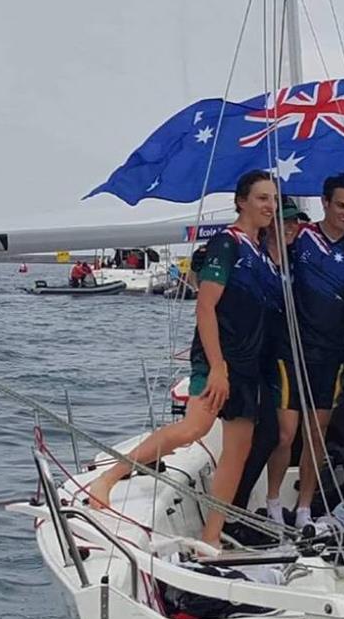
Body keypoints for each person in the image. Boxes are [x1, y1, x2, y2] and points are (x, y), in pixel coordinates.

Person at [87, 170, 279, 549]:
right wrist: (218, 367)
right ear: (241, 201)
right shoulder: (228, 244)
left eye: (273, 199)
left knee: (237, 454)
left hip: (249, 365)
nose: (270, 206)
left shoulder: (264, 253)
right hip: (218, 362)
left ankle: (212, 539)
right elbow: (206, 308)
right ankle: (108, 478)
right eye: (262, 198)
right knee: (192, 429)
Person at [264, 175, 344, 530]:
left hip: (334, 352)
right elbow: (270, 251)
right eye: (340, 206)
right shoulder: (302, 235)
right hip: (291, 348)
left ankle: (306, 508)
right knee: (285, 433)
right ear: (325, 203)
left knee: (316, 433)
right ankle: (274, 502)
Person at [231, 195, 302, 512]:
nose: (289, 227)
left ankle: (240, 506)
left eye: (293, 221)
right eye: (282, 220)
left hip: (282, 360)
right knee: (259, 436)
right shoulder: (252, 255)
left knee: (277, 436)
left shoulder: (299, 260)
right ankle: (234, 507)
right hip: (249, 361)